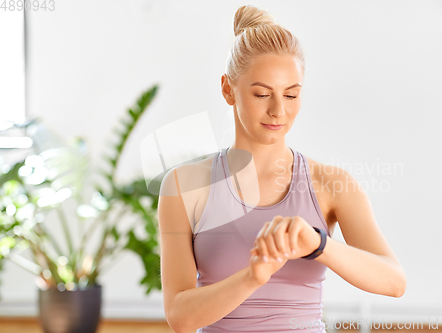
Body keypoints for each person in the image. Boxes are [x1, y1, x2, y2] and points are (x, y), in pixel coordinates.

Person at [158, 4, 406, 333]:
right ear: (228, 89)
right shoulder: (183, 186)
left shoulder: (330, 183)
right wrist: (253, 276)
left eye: (291, 95)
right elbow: (180, 317)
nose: (278, 111)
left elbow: (394, 281)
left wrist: (318, 244)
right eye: (262, 93)